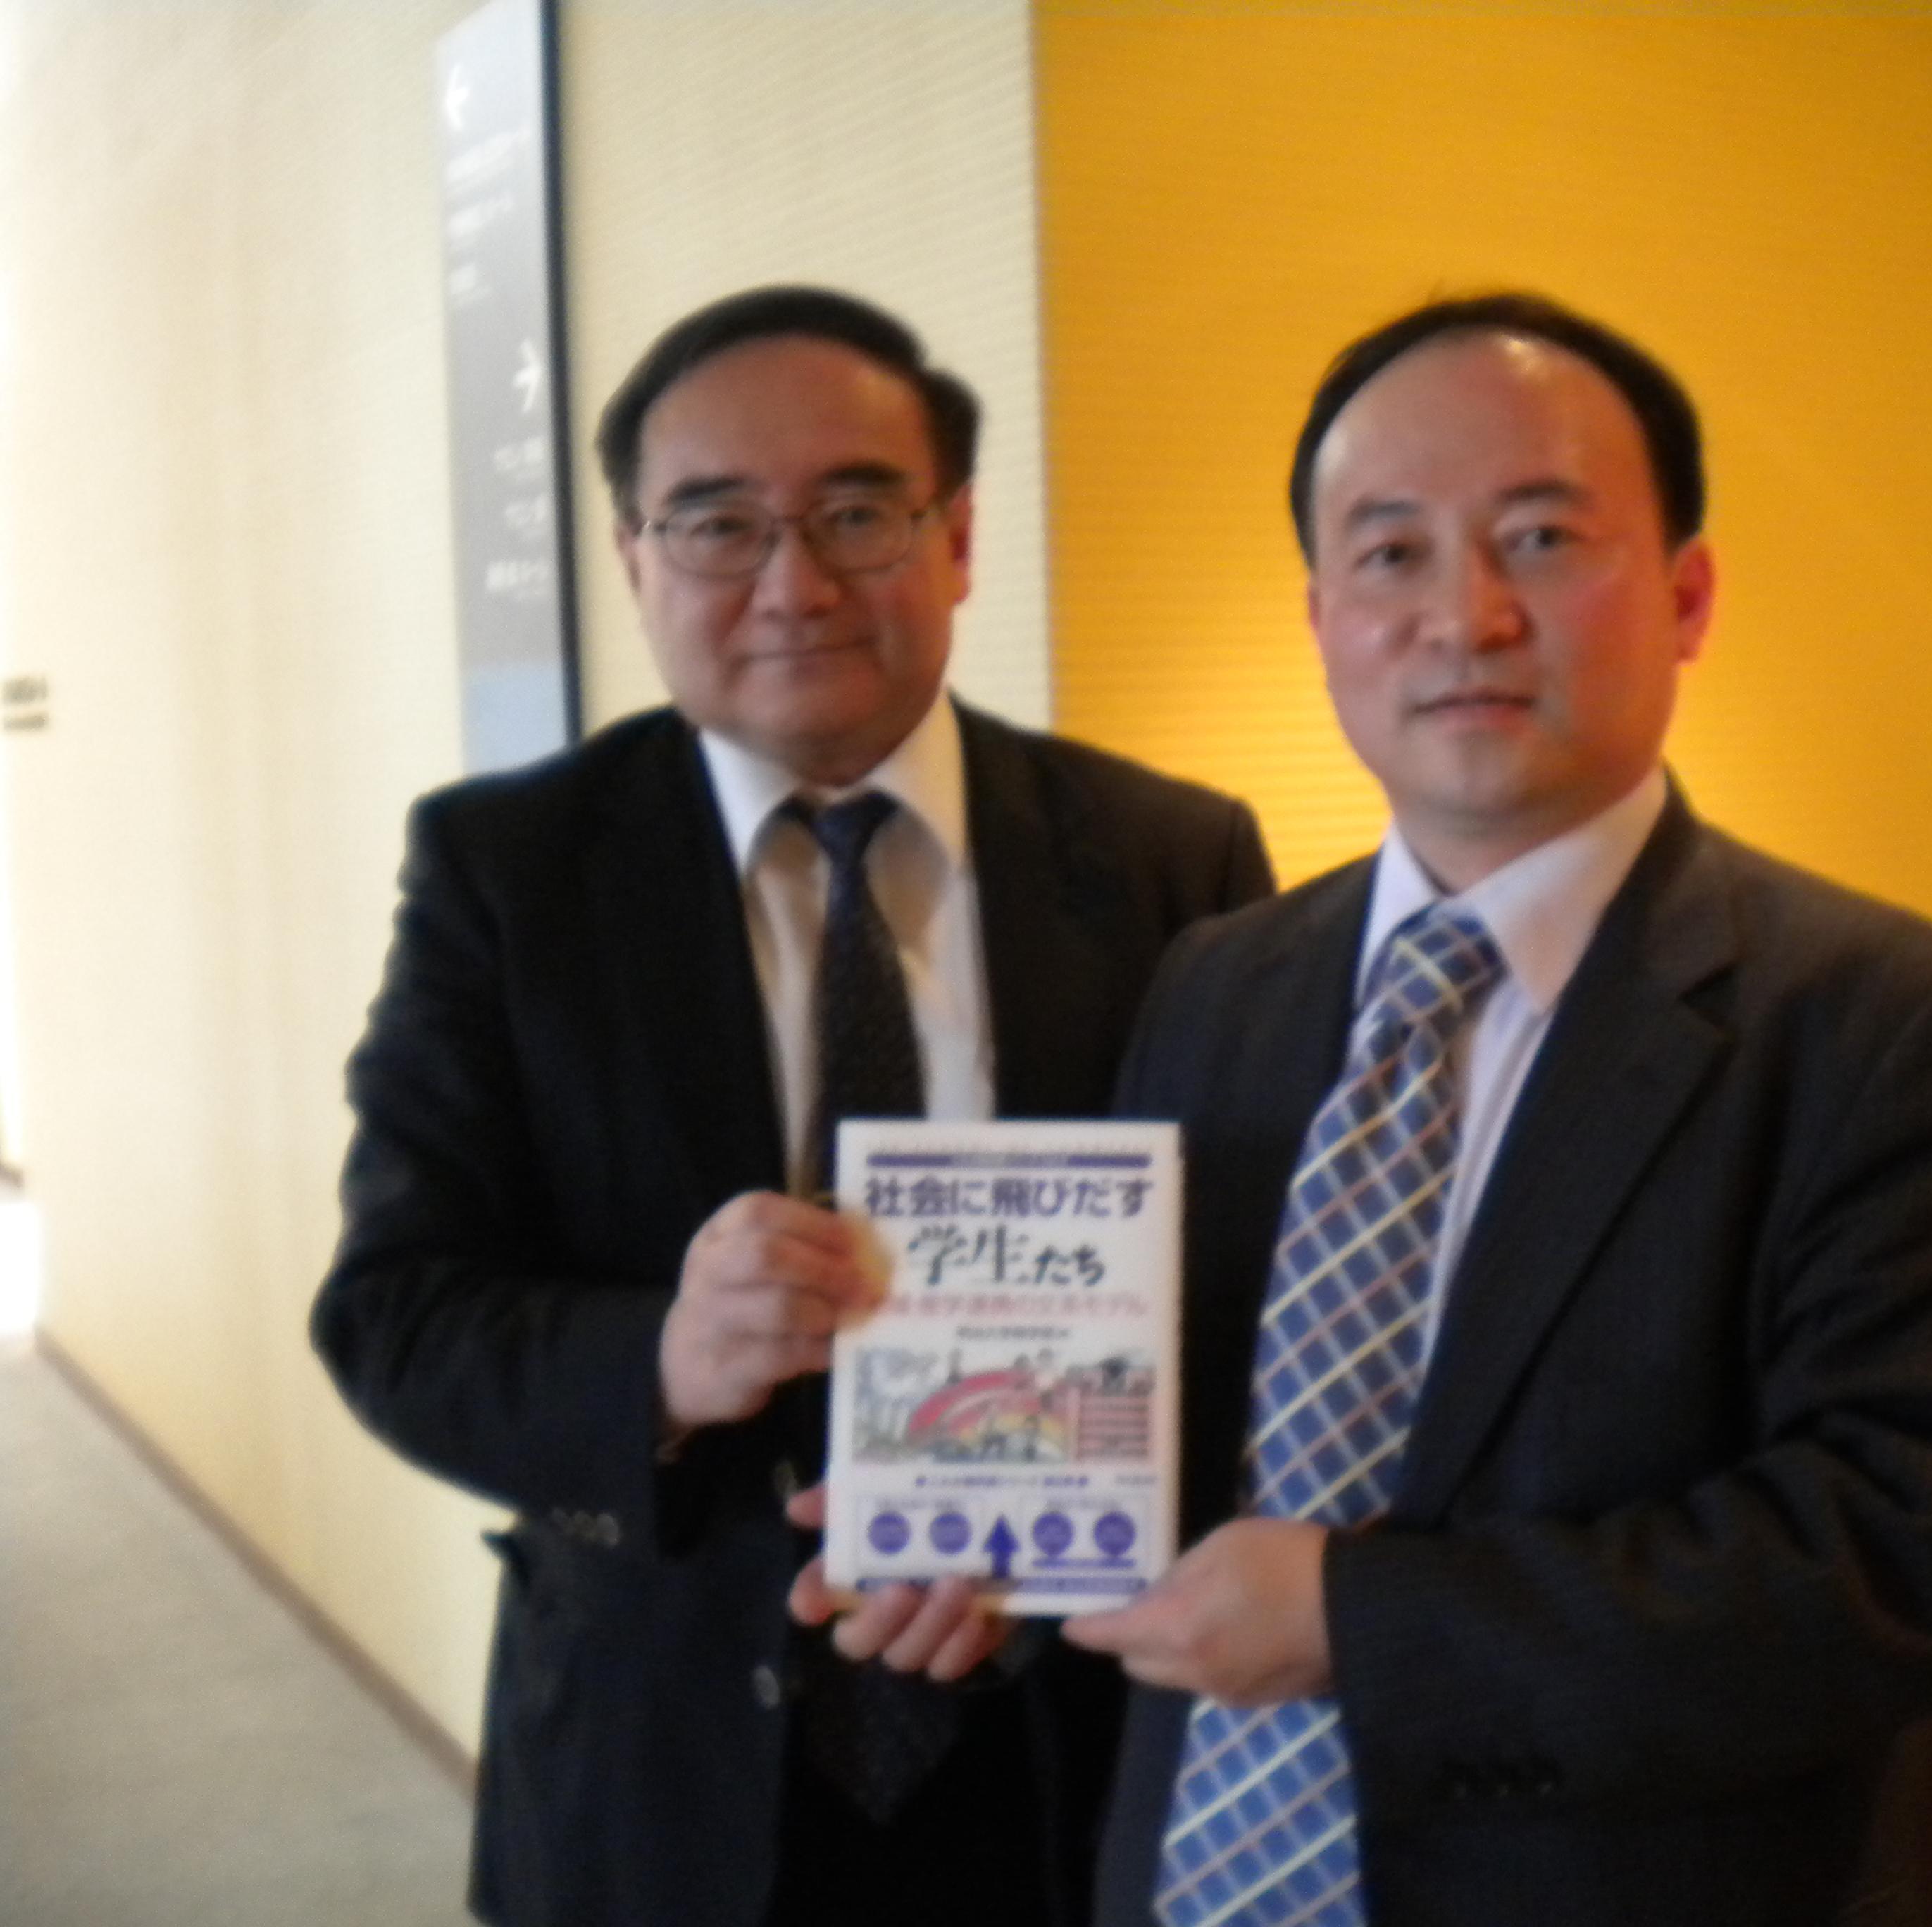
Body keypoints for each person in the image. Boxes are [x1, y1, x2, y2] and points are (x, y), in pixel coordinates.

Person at [1063, 294, 1932, 1926]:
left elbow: (1899, 1559)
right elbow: (1154, 1412)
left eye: (1539, 538)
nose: (1464, 616)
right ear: (1321, 617)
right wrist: (977, 1540)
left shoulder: (1894, 1030)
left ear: (1687, 596)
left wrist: (1359, 1624)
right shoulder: (1218, 983)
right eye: (1391, 554)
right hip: (1191, 1875)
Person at [311, 285, 1273, 1927]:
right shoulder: (507, 874)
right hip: (660, 1760)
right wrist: (661, 1363)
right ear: (634, 558)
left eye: (857, 514)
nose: (794, 584)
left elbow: (1263, 1307)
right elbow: (395, 1317)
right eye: (717, 525)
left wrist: (1058, 1550)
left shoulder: (1172, 858)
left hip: (1074, 1753)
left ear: (957, 537)